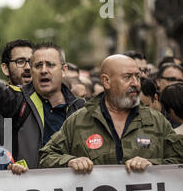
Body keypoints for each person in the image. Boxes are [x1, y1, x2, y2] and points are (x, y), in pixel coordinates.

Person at [39, 55, 183, 173]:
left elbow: (178, 160)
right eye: (127, 77)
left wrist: (152, 165)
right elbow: (46, 157)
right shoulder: (79, 120)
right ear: (106, 81)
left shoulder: (156, 120)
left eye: (137, 77)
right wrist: (69, 161)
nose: (135, 83)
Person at [0, 18, 85, 169]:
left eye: (50, 65)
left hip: (73, 189)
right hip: (29, 190)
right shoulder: (18, 101)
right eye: (38, 65)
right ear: (32, 71)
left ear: (64, 70)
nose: (44, 70)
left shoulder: (81, 108)